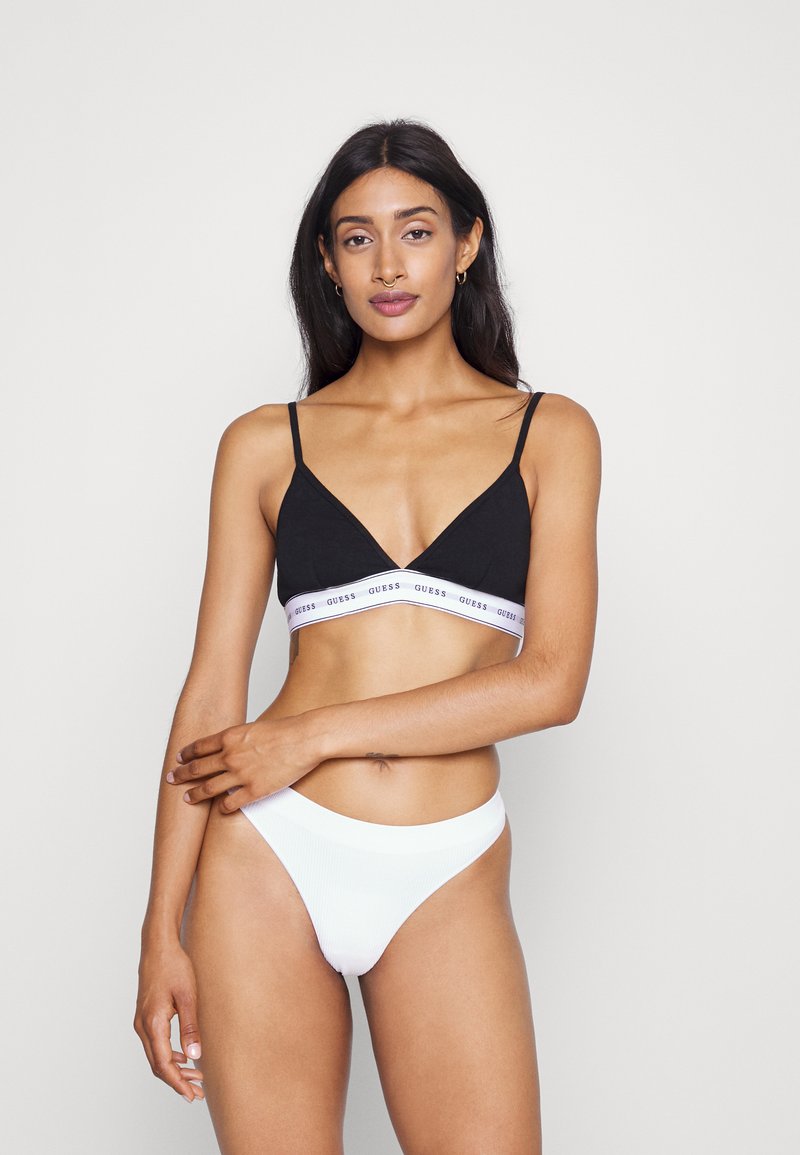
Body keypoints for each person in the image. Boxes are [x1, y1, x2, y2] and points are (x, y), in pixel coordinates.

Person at [134, 118, 601, 1154]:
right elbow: (209, 695)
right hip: (266, 854)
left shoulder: (549, 434)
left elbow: (551, 682)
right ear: (327, 261)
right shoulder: (266, 444)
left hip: (444, 861)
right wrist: (160, 931)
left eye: (416, 231)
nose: (387, 264)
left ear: (467, 243)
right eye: (357, 238)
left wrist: (310, 734)